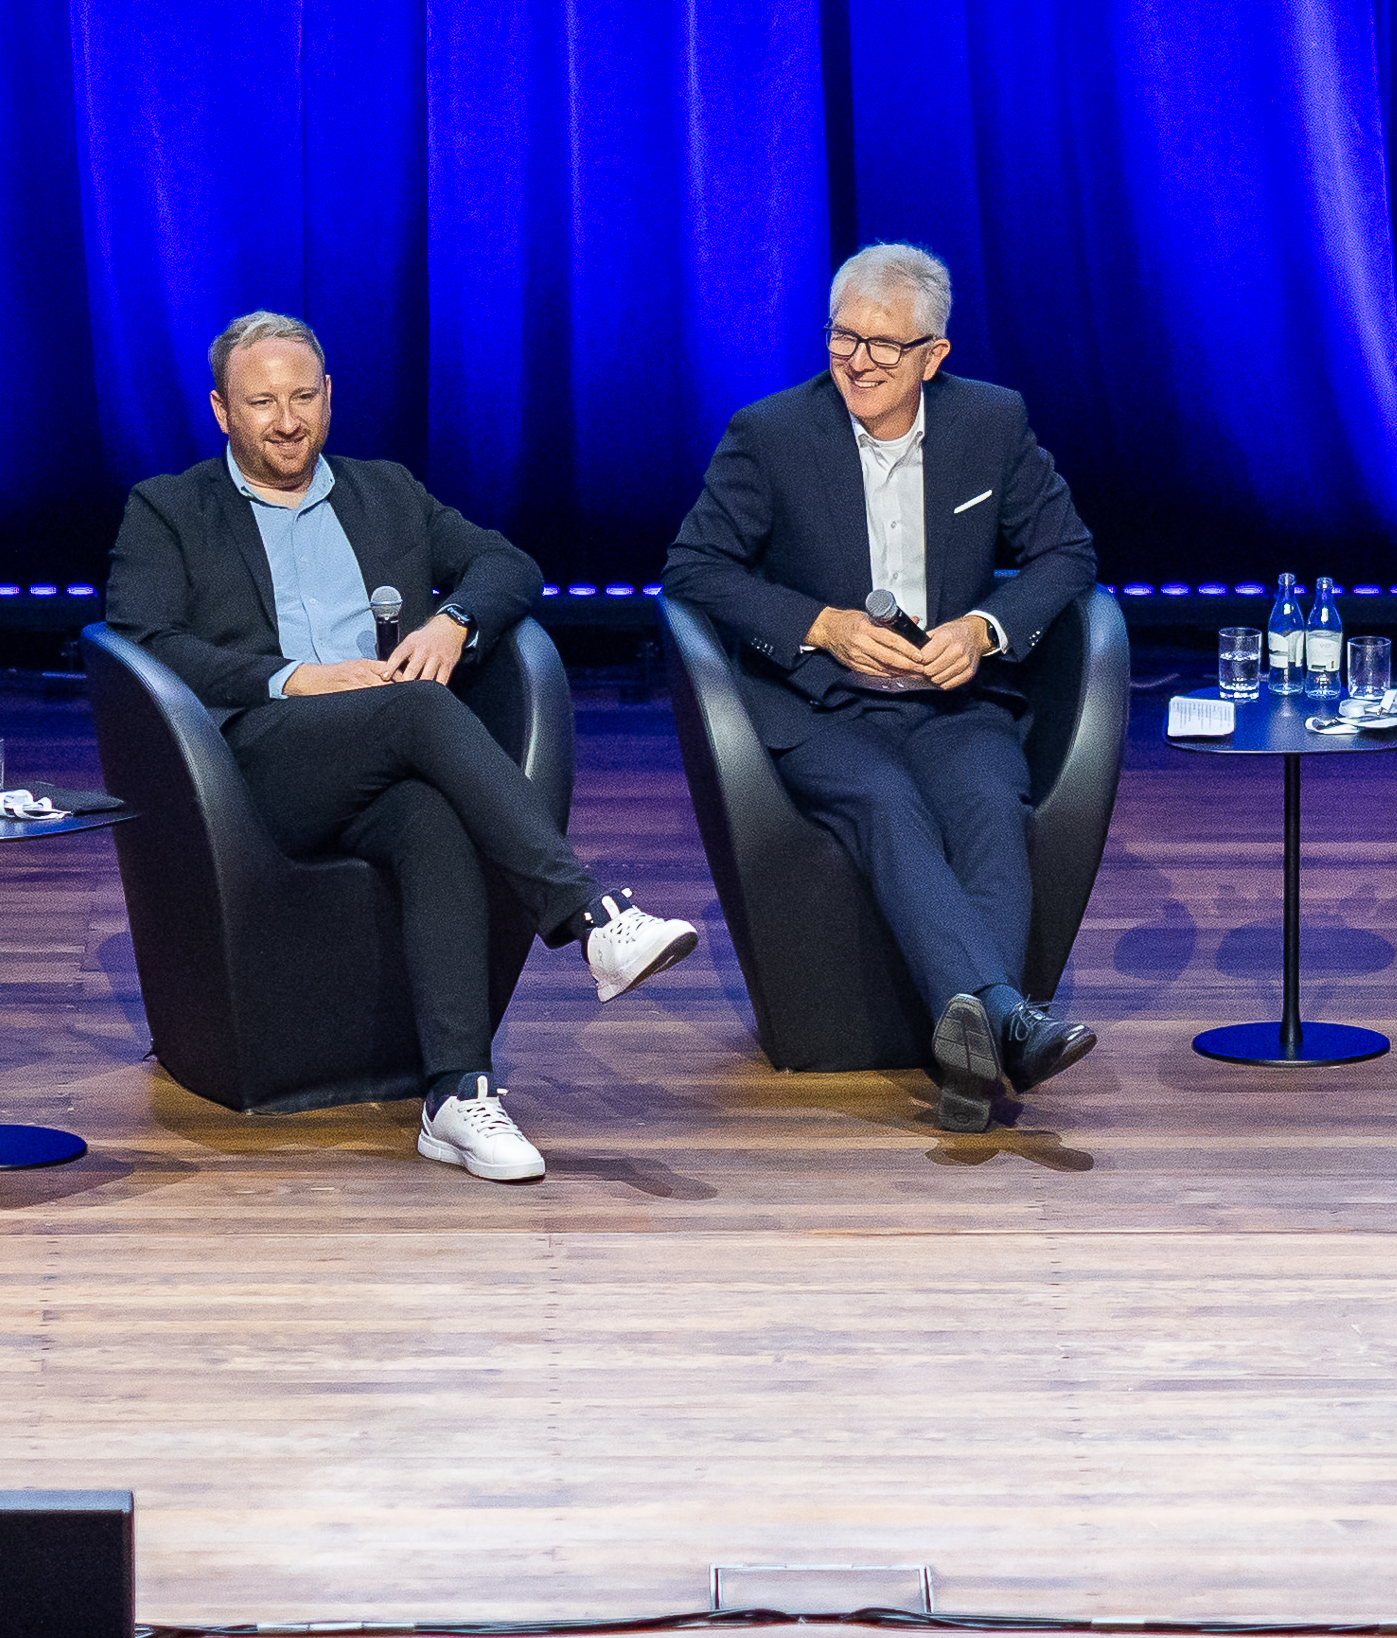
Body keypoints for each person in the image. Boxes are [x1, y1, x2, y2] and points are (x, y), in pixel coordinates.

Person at [104, 311, 696, 1186]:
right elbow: (145, 638)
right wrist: (291, 679)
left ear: (330, 397)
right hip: (249, 767)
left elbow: (508, 565)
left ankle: (455, 1095)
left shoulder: (385, 491)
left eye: (304, 395)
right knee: (418, 712)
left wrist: (454, 619)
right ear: (222, 411)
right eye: (261, 401)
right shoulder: (169, 507)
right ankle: (591, 916)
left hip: (378, 755)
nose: (286, 419)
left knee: (429, 817)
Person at [660, 242, 1103, 1133]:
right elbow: (693, 568)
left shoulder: (992, 423)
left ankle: (974, 1059)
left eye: (883, 346)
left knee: (987, 800)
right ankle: (1010, 1020)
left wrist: (983, 631)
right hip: (823, 705)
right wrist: (822, 625)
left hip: (951, 701)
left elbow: (1069, 555)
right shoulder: (772, 434)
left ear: (934, 357)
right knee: (887, 803)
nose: (858, 361)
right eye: (842, 338)